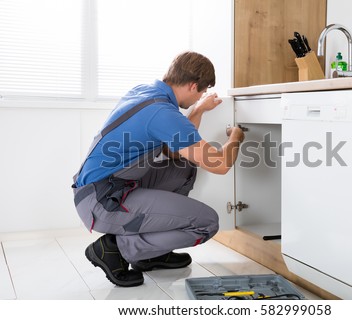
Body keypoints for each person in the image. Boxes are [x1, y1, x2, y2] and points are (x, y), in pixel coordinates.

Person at [72, 51, 244, 287]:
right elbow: (220, 164)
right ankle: (117, 249)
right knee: (207, 223)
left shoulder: (146, 93)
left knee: (183, 168)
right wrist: (236, 137)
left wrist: (198, 110)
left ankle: (151, 254)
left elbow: (176, 151)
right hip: (103, 202)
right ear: (193, 86)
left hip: (105, 187)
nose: (200, 96)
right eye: (202, 91)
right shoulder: (163, 113)